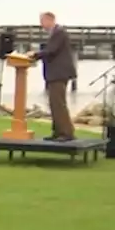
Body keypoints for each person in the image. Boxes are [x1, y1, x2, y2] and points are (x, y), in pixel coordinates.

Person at [31, 11, 77, 141]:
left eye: (42, 21)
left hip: (59, 73)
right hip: (55, 74)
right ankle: (57, 131)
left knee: (58, 103)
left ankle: (66, 133)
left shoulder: (59, 32)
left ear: (50, 20)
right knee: (53, 103)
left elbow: (51, 51)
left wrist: (35, 55)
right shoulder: (55, 33)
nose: (41, 25)